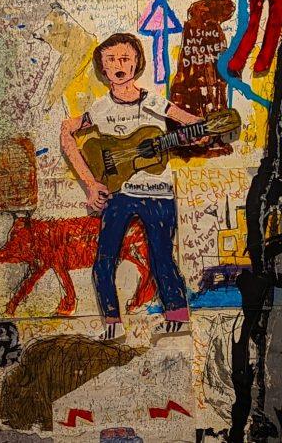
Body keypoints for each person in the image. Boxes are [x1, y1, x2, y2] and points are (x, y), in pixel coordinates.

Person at [59, 33, 203, 339]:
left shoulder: (154, 102)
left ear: (137, 63)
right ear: (102, 67)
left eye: (125, 58)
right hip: (118, 193)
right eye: (111, 60)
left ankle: (178, 316)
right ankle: (112, 323)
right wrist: (90, 183)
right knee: (104, 260)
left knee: (161, 257)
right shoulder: (100, 109)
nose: (118, 65)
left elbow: (190, 122)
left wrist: (201, 131)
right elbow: (66, 130)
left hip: (158, 194)